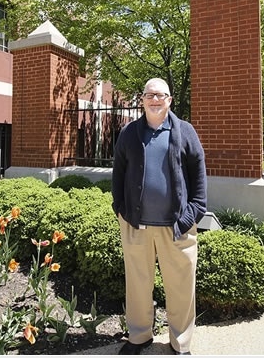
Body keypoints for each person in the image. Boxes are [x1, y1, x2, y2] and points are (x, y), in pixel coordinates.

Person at [111, 78, 207, 355]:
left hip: (177, 227)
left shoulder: (185, 132)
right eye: (150, 95)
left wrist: (191, 215)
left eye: (160, 95)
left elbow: (199, 182)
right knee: (137, 286)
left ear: (169, 100)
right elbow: (118, 174)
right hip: (136, 226)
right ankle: (139, 336)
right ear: (142, 100)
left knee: (181, 288)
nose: (155, 100)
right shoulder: (129, 133)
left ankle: (181, 343)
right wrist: (121, 209)